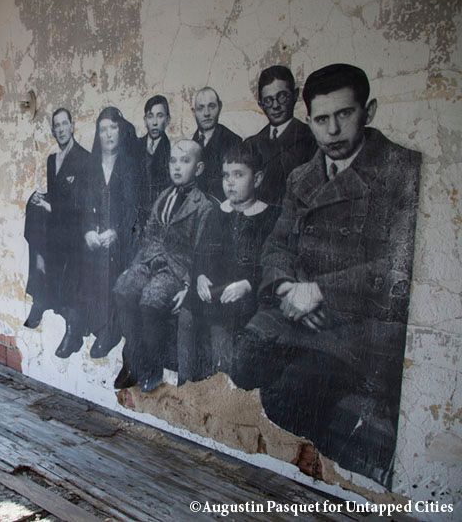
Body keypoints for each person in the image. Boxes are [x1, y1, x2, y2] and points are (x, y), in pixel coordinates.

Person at [234, 64, 421, 486]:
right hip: (296, 309)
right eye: (321, 119)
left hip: (360, 326)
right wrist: (287, 288)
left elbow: (397, 267)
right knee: (243, 362)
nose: (333, 130)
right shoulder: (302, 177)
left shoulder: (400, 171)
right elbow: (276, 246)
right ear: (310, 119)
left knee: (288, 395)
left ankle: (335, 477)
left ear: (369, 111)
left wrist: (321, 292)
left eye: (345, 114)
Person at [112, 140, 214, 392]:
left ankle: (152, 367)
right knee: (123, 288)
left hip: (176, 269)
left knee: (150, 301)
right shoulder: (164, 196)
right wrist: (134, 266)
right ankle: (133, 360)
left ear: (199, 168)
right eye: (173, 161)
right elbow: (149, 235)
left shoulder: (203, 206)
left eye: (185, 161)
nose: (177, 167)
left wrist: (188, 286)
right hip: (149, 260)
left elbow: (201, 253)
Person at [180, 143, 277, 384]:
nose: (230, 183)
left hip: (246, 295)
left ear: (257, 179)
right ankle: (185, 382)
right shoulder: (217, 213)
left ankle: (221, 387)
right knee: (186, 314)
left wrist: (247, 284)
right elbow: (200, 253)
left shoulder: (269, 217)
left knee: (221, 325)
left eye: (238, 175)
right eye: (226, 176)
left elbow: (272, 264)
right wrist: (200, 276)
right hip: (213, 290)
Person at [55, 107, 140, 359]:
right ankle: (74, 328)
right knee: (75, 263)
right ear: (98, 134)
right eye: (103, 130)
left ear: (120, 131)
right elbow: (81, 208)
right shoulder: (89, 167)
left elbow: (134, 210)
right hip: (94, 237)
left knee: (111, 265)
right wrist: (88, 232)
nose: (108, 134)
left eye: (113, 128)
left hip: (121, 240)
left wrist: (117, 232)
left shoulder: (130, 166)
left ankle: (108, 330)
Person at [23, 108, 90, 329]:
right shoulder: (52, 160)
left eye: (64, 124)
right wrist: (40, 199)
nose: (61, 129)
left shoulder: (84, 158)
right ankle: (39, 293)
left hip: (74, 227)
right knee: (33, 207)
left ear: (72, 126)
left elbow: (80, 205)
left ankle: (42, 294)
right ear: (53, 131)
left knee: (45, 219)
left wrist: (49, 206)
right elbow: (55, 194)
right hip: (56, 222)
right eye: (57, 126)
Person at [244, 65, 317, 210]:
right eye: (268, 100)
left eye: (282, 96)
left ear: (295, 95)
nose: (275, 105)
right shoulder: (250, 145)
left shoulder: (312, 138)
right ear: (261, 105)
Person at [191, 87, 241, 201]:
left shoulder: (234, 142)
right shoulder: (190, 144)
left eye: (212, 106)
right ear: (193, 112)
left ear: (220, 107)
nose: (206, 113)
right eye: (200, 108)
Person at [137, 95, 172, 227]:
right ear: (145, 120)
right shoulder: (135, 146)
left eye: (160, 116)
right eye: (150, 116)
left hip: (159, 220)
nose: (155, 122)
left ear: (167, 120)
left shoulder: (172, 152)